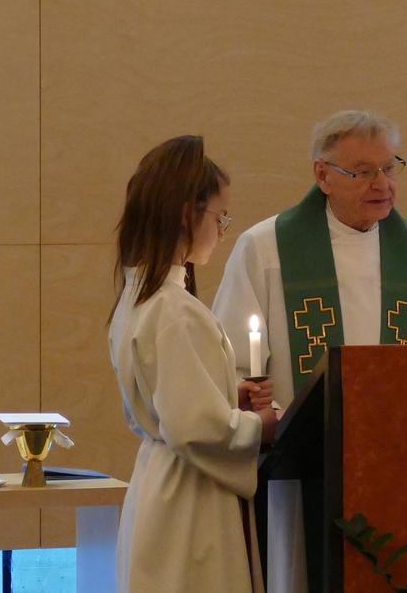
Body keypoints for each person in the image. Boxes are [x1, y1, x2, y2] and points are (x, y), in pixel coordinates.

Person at [213, 109, 407, 592]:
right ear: (322, 175)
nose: (382, 183)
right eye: (363, 171)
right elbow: (228, 359)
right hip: (299, 465)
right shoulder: (266, 248)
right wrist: (259, 404)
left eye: (389, 167)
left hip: (399, 463)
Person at [108, 135, 277, 593]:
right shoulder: (174, 309)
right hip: (189, 500)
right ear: (188, 213)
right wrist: (260, 426)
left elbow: (170, 405)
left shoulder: (141, 296)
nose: (223, 231)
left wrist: (226, 396)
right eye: (220, 217)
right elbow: (195, 429)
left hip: (161, 485)